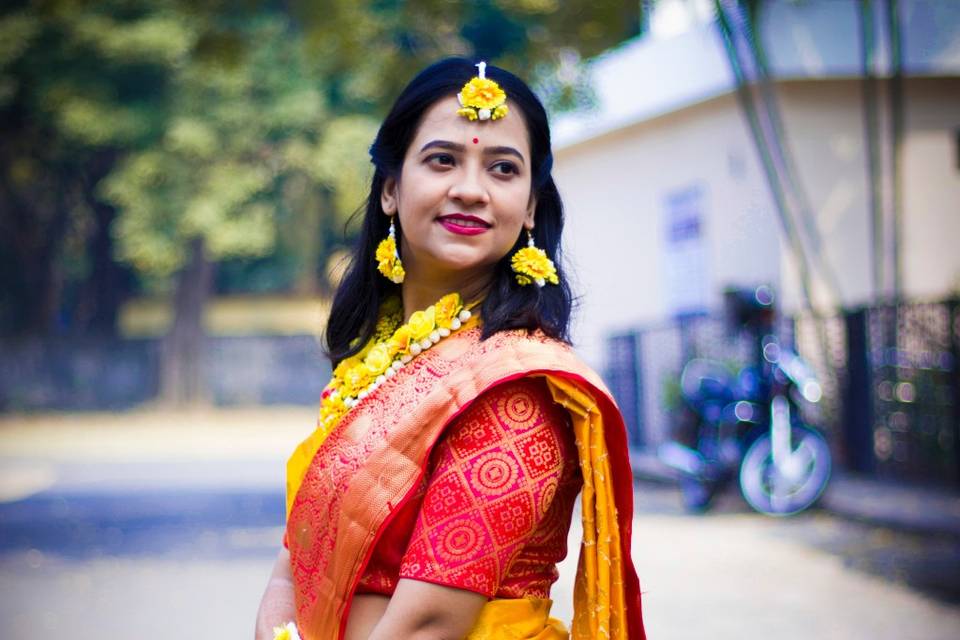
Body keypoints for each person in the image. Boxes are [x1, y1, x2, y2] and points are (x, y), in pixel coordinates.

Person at [255, 57, 645, 640]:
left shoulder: (513, 391)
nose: (469, 190)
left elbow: (426, 628)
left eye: (503, 169)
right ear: (390, 189)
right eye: (443, 160)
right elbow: (295, 566)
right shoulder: (379, 364)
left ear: (532, 207)